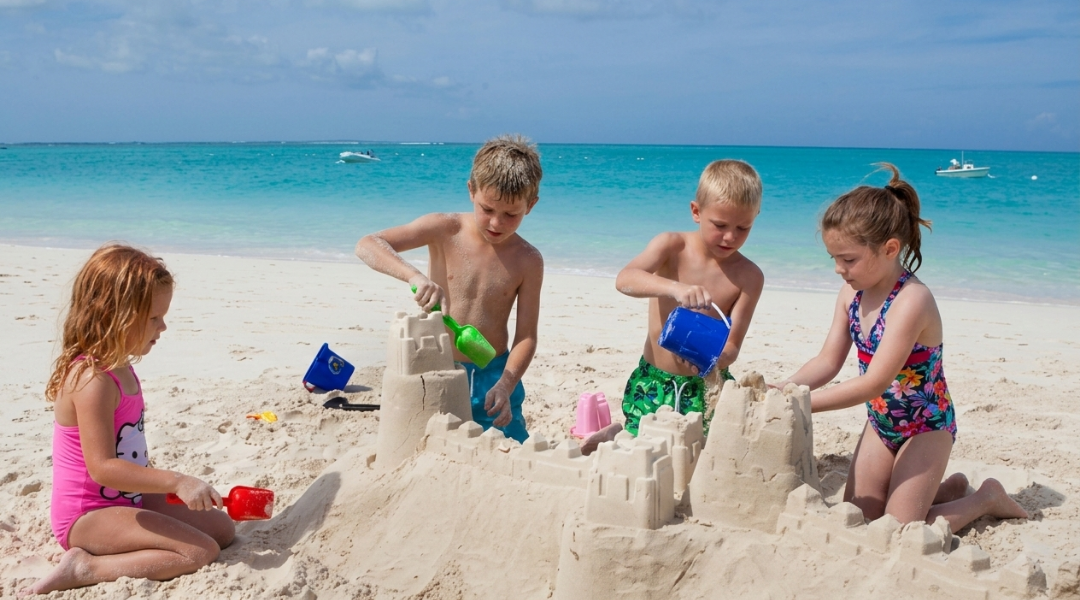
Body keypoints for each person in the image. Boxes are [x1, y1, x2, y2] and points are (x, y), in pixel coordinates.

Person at [773, 164, 1027, 529]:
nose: (838, 270)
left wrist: (803, 405)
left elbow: (874, 382)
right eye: (834, 259)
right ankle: (947, 487)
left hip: (927, 427)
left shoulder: (912, 301)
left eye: (848, 259)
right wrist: (785, 389)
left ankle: (985, 497)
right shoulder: (850, 295)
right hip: (881, 422)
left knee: (898, 530)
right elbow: (827, 361)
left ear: (890, 248)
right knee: (858, 518)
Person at [22, 245, 234, 597]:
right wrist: (176, 481)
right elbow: (103, 468)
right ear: (114, 315)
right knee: (200, 551)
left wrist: (164, 488)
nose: (163, 327)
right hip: (87, 515)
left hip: (126, 499)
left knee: (222, 531)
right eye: (154, 318)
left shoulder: (122, 369)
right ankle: (86, 567)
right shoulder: (93, 381)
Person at [355, 134, 543, 443]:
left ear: (530, 205)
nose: (496, 223)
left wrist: (507, 384)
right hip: (439, 366)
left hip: (493, 372)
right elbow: (369, 244)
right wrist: (414, 276)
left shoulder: (528, 260)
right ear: (471, 190)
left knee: (509, 447)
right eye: (487, 209)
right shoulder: (444, 229)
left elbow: (527, 336)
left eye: (511, 215)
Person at [582, 159, 764, 454]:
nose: (730, 237)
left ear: (756, 217)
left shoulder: (749, 277)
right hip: (655, 378)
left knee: (694, 455)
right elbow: (625, 279)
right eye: (720, 225)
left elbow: (732, 345)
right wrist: (674, 288)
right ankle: (619, 432)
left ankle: (621, 432)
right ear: (696, 212)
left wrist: (713, 361)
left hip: (703, 386)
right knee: (642, 448)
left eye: (743, 227)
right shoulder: (671, 247)